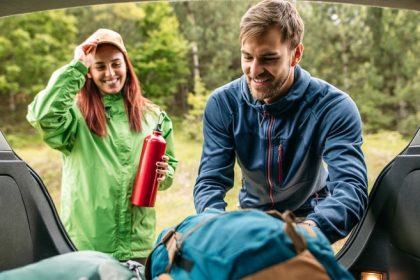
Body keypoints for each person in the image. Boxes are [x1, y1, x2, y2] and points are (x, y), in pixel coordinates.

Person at [193, 0, 368, 243]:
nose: (254, 71)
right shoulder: (223, 104)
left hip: (312, 217)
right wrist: (216, 226)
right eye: (247, 57)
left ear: (296, 54)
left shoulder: (334, 107)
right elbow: (211, 180)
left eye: (268, 59)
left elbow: (350, 188)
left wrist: (306, 233)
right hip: (252, 218)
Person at [27, 28, 178, 262]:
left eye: (116, 64)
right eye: (99, 66)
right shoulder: (74, 116)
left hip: (137, 246)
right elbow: (42, 115)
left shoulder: (154, 117)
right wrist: (76, 66)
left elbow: (169, 170)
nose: (110, 73)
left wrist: (163, 173)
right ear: (88, 72)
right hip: (87, 245)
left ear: (126, 65)